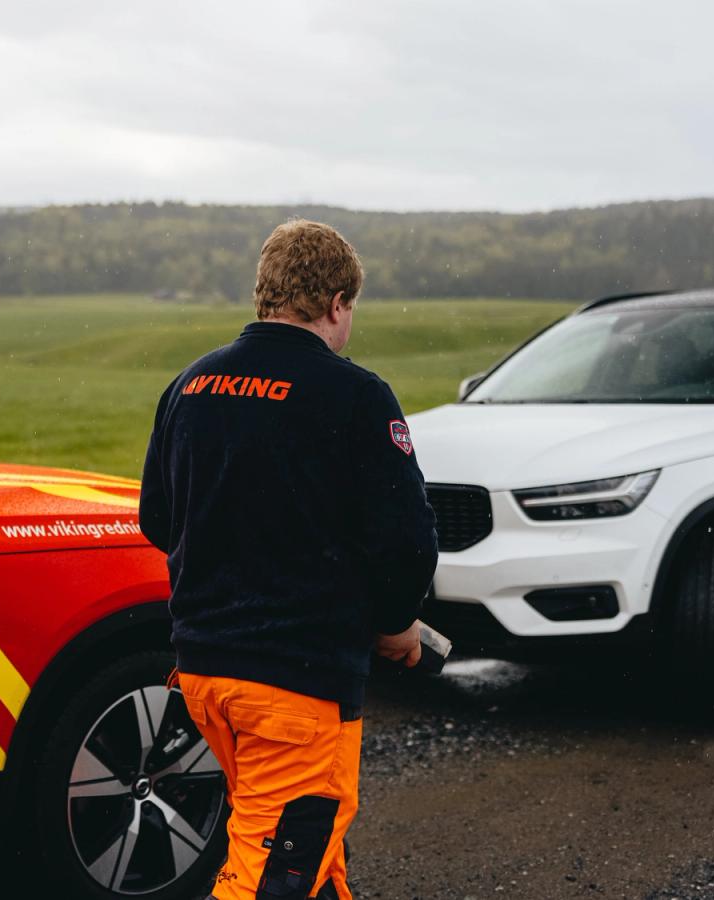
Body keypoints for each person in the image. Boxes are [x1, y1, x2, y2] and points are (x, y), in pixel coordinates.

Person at [138, 219, 439, 900]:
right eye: (350, 307)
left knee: (307, 853)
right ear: (337, 303)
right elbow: (407, 545)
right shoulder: (356, 396)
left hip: (207, 676)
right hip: (295, 691)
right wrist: (395, 621)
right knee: (270, 876)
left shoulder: (190, 387)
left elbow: (158, 518)